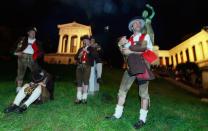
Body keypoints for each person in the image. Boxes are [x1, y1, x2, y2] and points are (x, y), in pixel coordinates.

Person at [105, 16, 154, 129]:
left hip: (142, 67)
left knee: (143, 94)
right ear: (131, 27)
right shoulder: (129, 39)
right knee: (122, 91)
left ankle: (142, 119)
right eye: (134, 24)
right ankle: (117, 115)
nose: (137, 25)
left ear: (140, 26)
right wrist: (120, 45)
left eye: (138, 23)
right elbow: (124, 53)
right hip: (130, 68)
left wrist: (129, 49)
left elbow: (143, 47)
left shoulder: (144, 36)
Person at [13, 27, 43, 93]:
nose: (33, 33)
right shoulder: (22, 39)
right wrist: (15, 53)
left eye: (34, 32)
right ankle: (19, 87)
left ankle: (37, 87)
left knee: (36, 72)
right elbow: (14, 47)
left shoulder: (38, 42)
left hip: (32, 58)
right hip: (22, 56)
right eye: (31, 32)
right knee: (20, 72)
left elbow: (41, 52)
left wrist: (37, 56)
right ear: (28, 33)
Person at [74, 35, 98, 104]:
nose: (84, 42)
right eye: (84, 41)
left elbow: (95, 56)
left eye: (86, 40)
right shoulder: (80, 49)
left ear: (89, 41)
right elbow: (76, 57)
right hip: (79, 65)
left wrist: (87, 51)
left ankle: (84, 98)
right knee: (79, 82)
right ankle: (78, 98)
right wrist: (79, 55)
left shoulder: (92, 49)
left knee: (85, 81)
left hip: (87, 66)